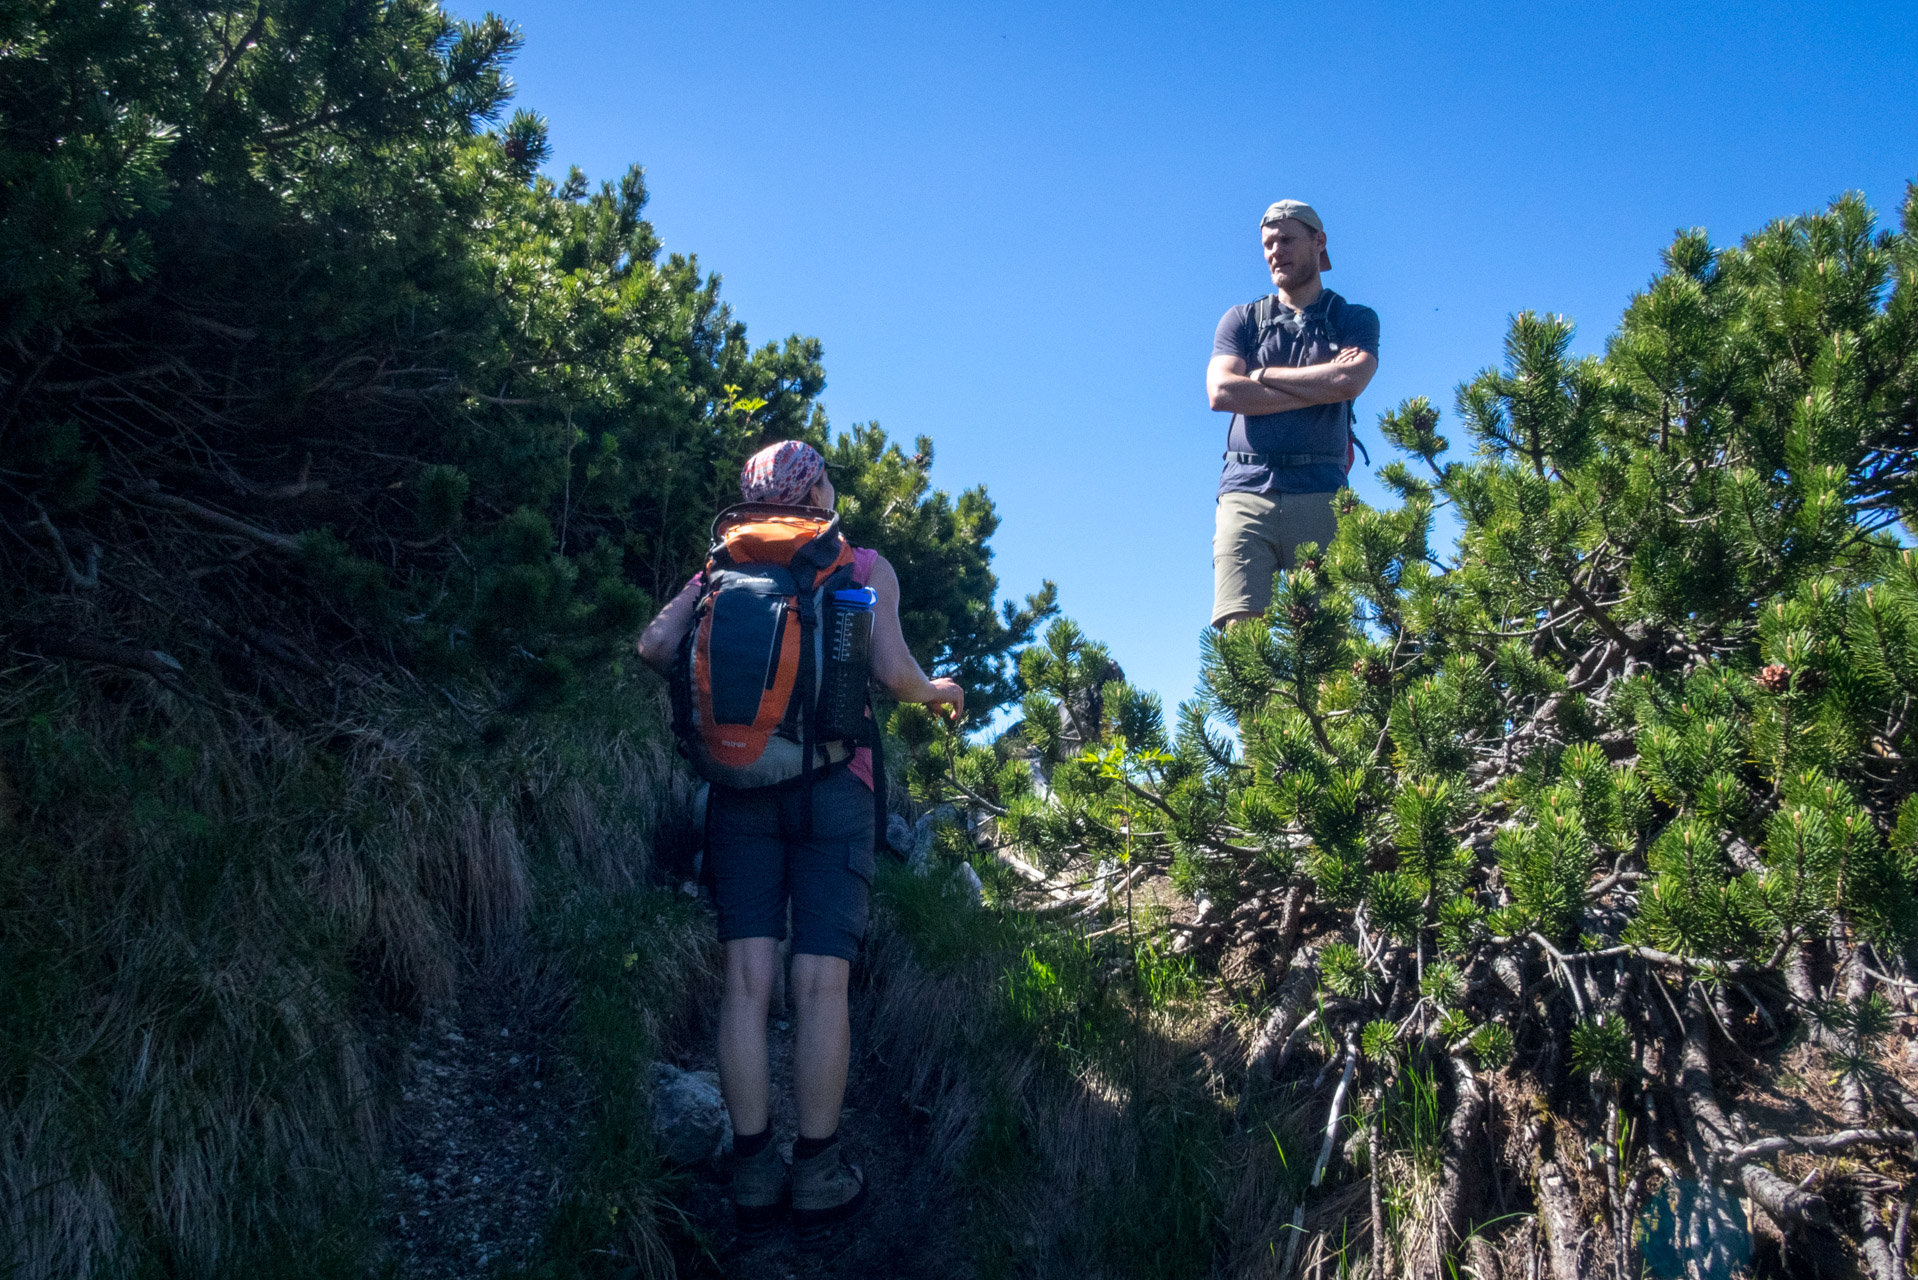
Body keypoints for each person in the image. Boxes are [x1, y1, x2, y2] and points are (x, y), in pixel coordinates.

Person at [635, 440, 965, 1240]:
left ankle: (753, 1172)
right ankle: (816, 1173)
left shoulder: (721, 567)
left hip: (739, 790)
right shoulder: (861, 563)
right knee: (820, 985)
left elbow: (653, 647)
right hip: (833, 792)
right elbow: (894, 674)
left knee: (747, 983)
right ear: (816, 486)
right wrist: (939, 690)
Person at [1205, 200, 1380, 628]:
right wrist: (1319, 387)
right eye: (1267, 243)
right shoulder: (1242, 320)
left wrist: (1260, 377)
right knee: (1243, 641)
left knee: (1329, 643)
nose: (1274, 252)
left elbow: (1349, 383)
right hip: (1245, 490)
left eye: (1286, 240)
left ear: (1318, 242)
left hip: (1321, 490)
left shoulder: (1352, 319)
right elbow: (1222, 391)